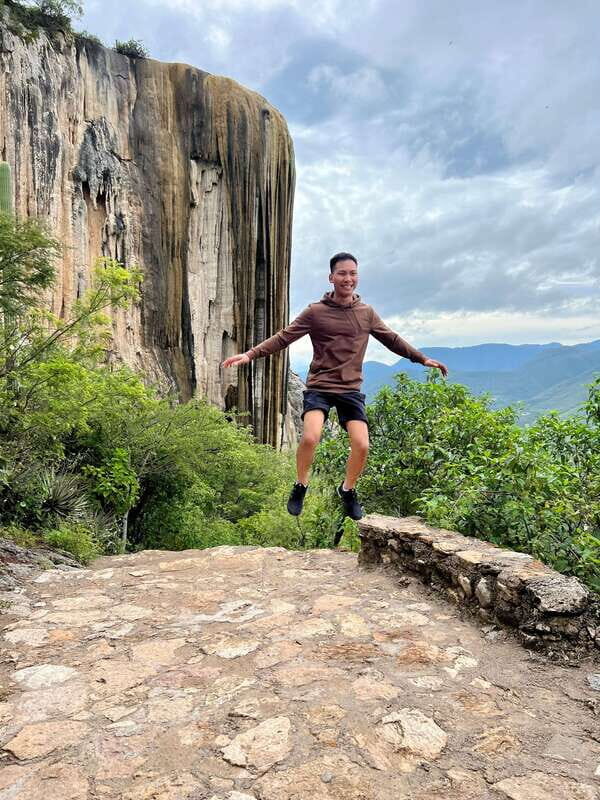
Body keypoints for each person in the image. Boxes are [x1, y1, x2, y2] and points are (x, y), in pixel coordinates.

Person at [221, 252, 448, 521]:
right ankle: (301, 485)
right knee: (310, 437)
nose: (348, 278)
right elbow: (284, 336)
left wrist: (421, 358)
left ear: (357, 277)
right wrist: (250, 354)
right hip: (320, 386)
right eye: (342, 273)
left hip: (350, 389)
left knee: (362, 445)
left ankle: (348, 490)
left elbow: (392, 339)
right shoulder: (315, 312)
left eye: (353, 273)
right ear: (331, 277)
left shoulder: (366, 313)